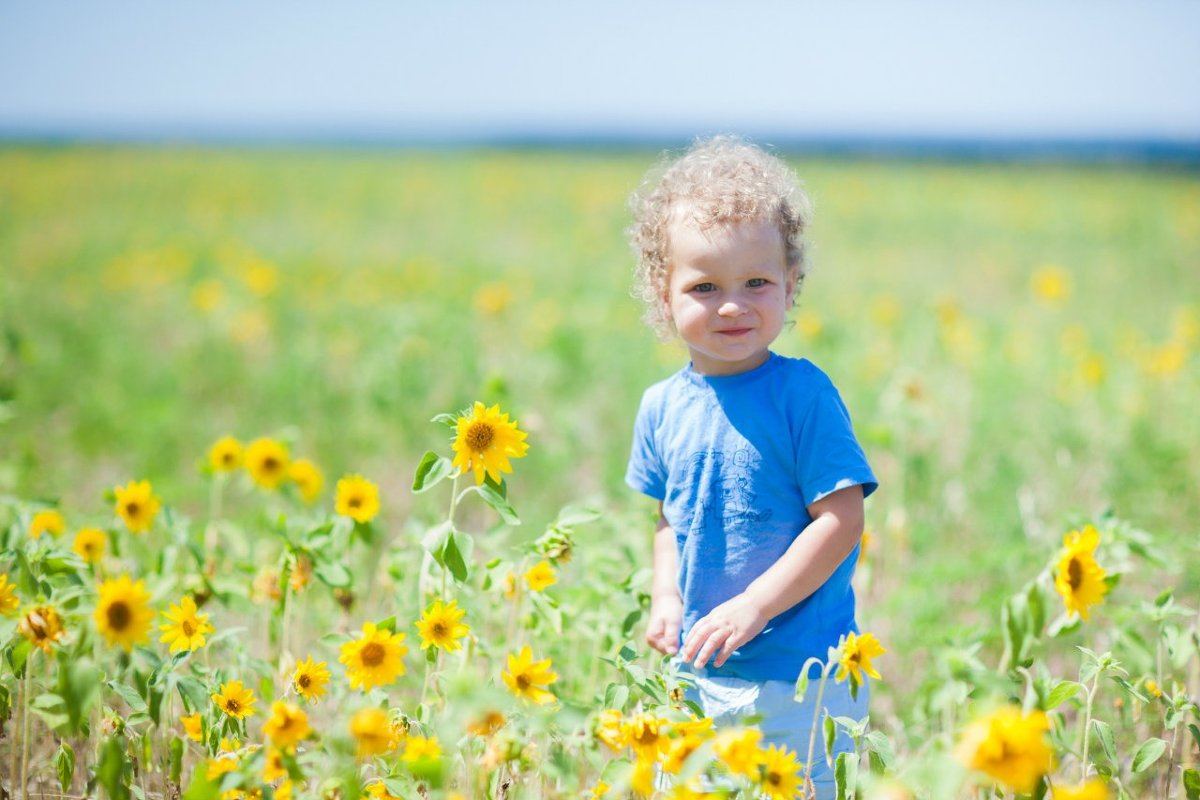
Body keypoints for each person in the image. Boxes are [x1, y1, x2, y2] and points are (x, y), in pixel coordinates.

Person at [624, 135, 878, 796]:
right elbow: (667, 520)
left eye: (755, 283)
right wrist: (667, 595)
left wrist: (755, 607)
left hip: (799, 677)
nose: (732, 305)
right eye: (705, 286)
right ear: (663, 291)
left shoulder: (803, 395)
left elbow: (842, 519)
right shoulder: (660, 406)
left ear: (790, 285)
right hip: (700, 671)